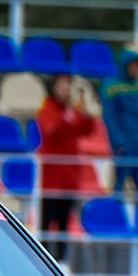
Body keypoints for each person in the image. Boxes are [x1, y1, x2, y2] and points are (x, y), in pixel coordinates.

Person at [34, 74, 99, 245]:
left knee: (64, 222)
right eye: (62, 86)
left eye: (68, 86)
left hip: (69, 175)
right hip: (51, 176)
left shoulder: (73, 110)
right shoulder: (48, 108)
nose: (66, 90)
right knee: (46, 221)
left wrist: (85, 112)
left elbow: (87, 129)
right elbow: (50, 131)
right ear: (54, 88)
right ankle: (43, 257)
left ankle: (61, 260)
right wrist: (69, 116)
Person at [98, 50, 138, 203]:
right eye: (132, 66)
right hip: (123, 143)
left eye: (137, 66)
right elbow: (109, 117)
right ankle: (115, 217)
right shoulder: (111, 86)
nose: (135, 69)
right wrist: (117, 141)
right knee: (120, 183)